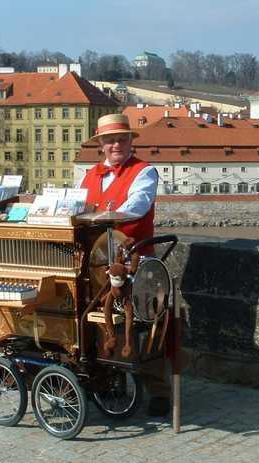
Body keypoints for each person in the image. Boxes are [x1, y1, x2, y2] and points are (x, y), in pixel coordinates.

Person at [78, 113, 170, 417]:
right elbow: (75, 207)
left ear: (131, 141)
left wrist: (104, 216)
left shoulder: (144, 171)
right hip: (95, 262)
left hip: (135, 262)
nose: (116, 144)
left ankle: (159, 390)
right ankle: (104, 378)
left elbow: (138, 206)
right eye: (109, 140)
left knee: (147, 324)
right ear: (101, 144)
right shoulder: (89, 175)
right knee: (94, 321)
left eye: (121, 138)